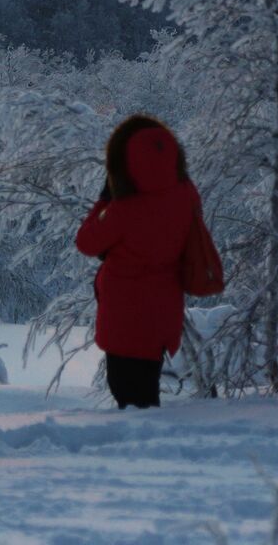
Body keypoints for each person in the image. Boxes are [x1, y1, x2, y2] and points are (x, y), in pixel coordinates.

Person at [75, 115, 197, 409]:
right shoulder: (185, 195)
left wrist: (105, 199)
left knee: (127, 393)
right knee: (146, 388)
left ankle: (142, 447)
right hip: (163, 310)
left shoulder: (124, 207)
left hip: (124, 316)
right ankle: (152, 444)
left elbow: (87, 242)